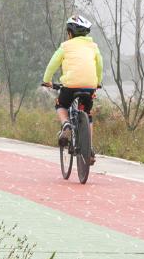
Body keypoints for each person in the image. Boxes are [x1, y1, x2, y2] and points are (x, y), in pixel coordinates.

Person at [41, 15, 103, 156]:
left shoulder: (65, 46)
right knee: (87, 114)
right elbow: (99, 64)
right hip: (90, 86)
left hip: (70, 85)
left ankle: (66, 124)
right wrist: (98, 82)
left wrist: (47, 80)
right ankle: (89, 148)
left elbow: (53, 64)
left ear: (70, 33)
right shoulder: (94, 47)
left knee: (60, 104)